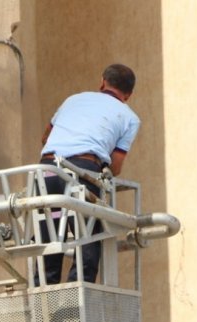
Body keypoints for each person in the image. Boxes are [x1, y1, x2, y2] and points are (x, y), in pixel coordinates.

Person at [35, 63, 140, 285]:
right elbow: (116, 165)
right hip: (82, 173)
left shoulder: (73, 100)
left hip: (48, 173)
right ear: (128, 95)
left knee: (49, 237)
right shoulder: (129, 118)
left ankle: (42, 302)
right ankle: (78, 302)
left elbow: (46, 138)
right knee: (88, 240)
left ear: (103, 81)